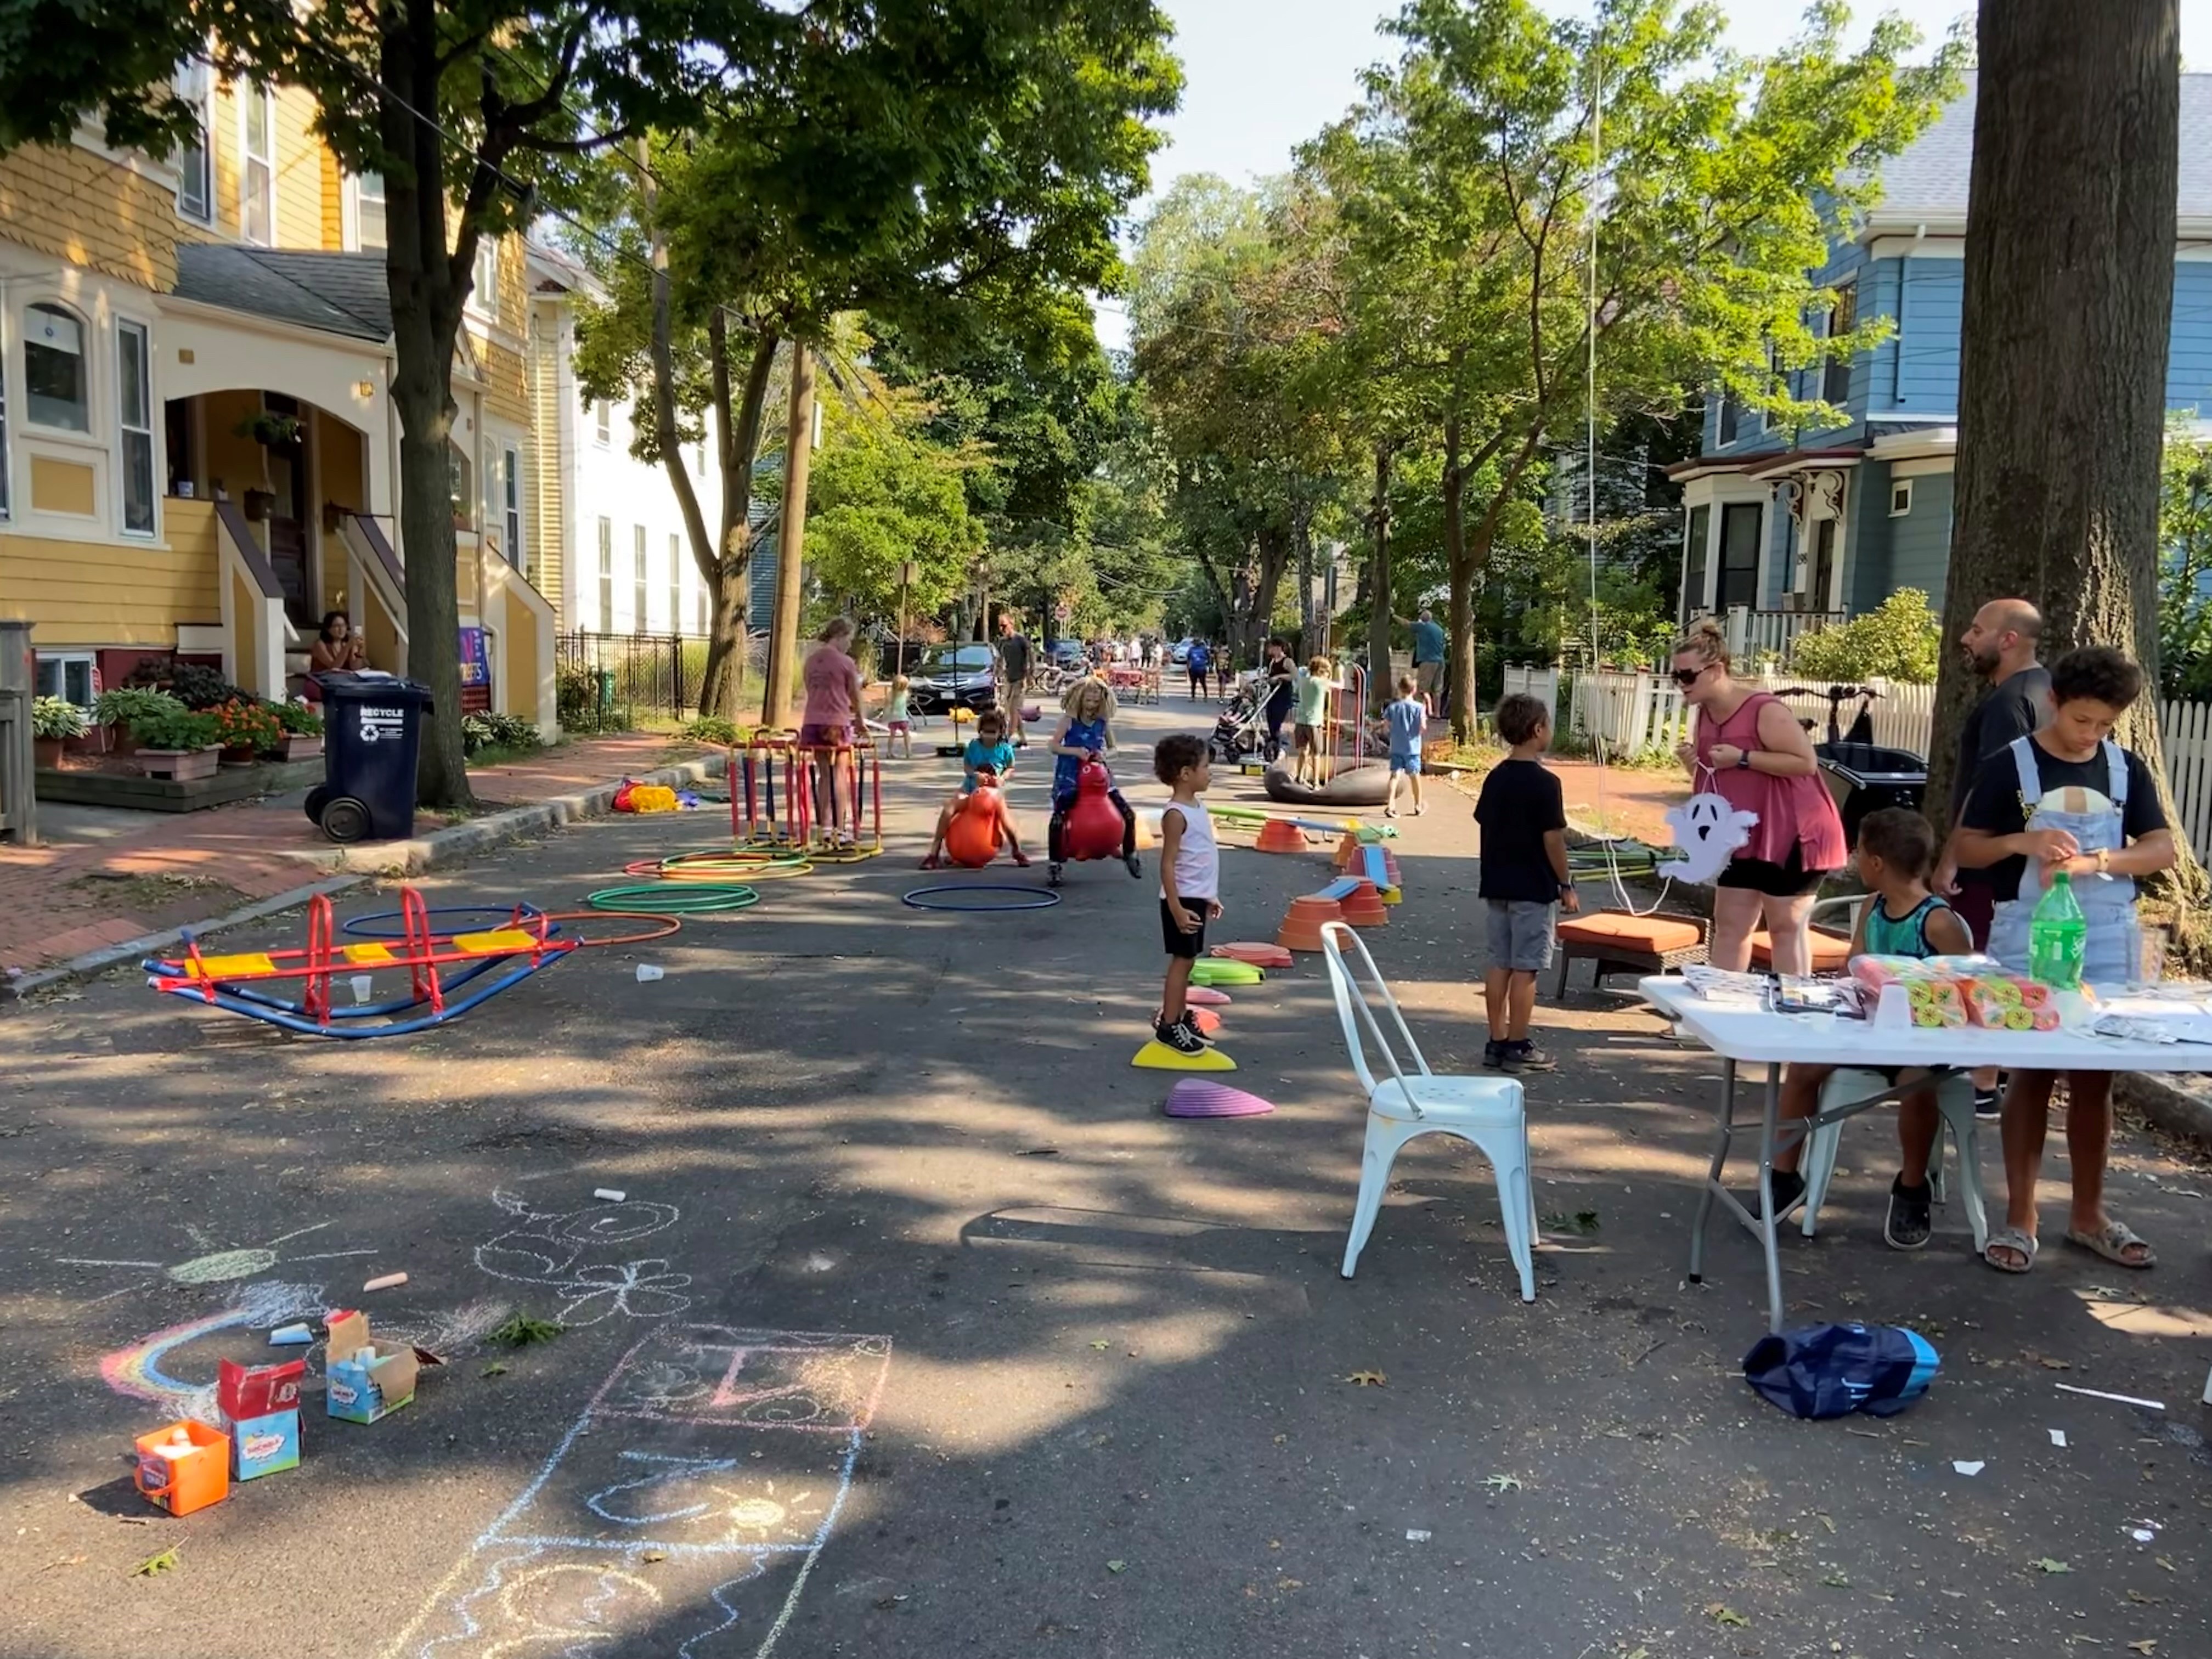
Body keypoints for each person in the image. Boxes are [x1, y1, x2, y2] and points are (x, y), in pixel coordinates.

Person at [1954, 646, 2177, 1275]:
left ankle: (2088, 1214)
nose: (2092, 735)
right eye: (2083, 720)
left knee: (2095, 1075)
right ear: (2054, 701)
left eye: (2105, 724)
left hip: (2106, 933)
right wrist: (2022, 841)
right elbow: (1967, 848)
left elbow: (2160, 847)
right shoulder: (2011, 765)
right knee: (2031, 1069)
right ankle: (2021, 1215)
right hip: (2028, 932)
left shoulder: (2124, 768)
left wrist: (2101, 861)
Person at [1761, 808, 1974, 1247]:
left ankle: (1913, 1185)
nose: (1854, 860)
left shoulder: (1937, 921)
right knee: (1803, 1068)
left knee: (1917, 1086)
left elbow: (1966, 989)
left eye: (1859, 852)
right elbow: (1854, 967)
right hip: (1865, 1031)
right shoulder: (1873, 908)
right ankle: (1785, 1176)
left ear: (1876, 863)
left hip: (1920, 1042)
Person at [1671, 619, 1847, 975]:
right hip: (1744, 833)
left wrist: (1745, 757)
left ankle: (1792, 1016)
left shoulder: (1764, 710)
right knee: (1731, 923)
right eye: (1676, 677)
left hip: (1795, 831)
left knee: (1786, 926)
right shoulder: (1705, 714)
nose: (1680, 685)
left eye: (1687, 676)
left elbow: (1806, 763)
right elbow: (1717, 781)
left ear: (1716, 670)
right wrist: (1695, 766)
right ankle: (1721, 1010)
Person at [1934, 599, 2049, 1118]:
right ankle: (1996, 1073)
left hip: (1993, 858)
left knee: (1981, 963)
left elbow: (1988, 788)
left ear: (2008, 640)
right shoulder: (2049, 694)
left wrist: (1953, 856)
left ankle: (1981, 1082)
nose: (1966, 637)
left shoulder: (2008, 703)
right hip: (2029, 858)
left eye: (1977, 630)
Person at [1473, 692, 1577, 1071]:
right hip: (1533, 887)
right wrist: (1565, 883)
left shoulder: (1495, 777)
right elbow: (1553, 838)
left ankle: (1496, 1039)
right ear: (1537, 730)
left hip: (1497, 882)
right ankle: (1518, 1043)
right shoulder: (1546, 784)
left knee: (1499, 962)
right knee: (1526, 967)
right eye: (1548, 725)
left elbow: (1485, 822)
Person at [1152, 733, 1222, 1058]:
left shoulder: (1196, 806)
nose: (1211, 772)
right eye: (1206, 767)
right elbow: (1168, 865)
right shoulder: (1176, 814)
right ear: (1185, 773)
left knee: (1189, 961)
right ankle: (1168, 1026)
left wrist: (1210, 896)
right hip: (1181, 900)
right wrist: (1178, 908)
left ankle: (1180, 1018)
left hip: (1195, 897)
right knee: (1182, 963)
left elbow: (1201, 857)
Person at [1046, 677, 1139, 879]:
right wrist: (1074, 751)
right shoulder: (1068, 721)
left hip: (1099, 777)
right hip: (1070, 776)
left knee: (1128, 814)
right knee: (1059, 819)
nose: (1092, 706)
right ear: (1079, 700)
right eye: (1088, 701)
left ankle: (1130, 853)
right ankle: (1055, 864)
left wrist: (1104, 755)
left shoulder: (1103, 723)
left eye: (1096, 702)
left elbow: (1114, 750)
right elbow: (1053, 746)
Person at [921, 708, 1028, 869]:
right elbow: (967, 766)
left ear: (1000, 732)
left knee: (1006, 820)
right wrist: (974, 774)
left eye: (993, 732)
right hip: (970, 788)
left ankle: (1017, 851)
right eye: (985, 731)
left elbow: (1010, 767)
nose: (989, 735)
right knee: (949, 809)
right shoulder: (974, 746)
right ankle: (934, 853)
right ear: (980, 731)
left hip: (992, 793)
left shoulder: (1005, 749)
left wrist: (1002, 779)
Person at [798, 617, 866, 845]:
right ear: (840, 636)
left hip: (812, 723)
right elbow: (855, 696)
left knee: (824, 775)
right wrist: (860, 720)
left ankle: (824, 828)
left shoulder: (810, 661)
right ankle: (840, 828)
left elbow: (810, 688)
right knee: (840, 774)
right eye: (849, 639)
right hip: (836, 723)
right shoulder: (845, 662)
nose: (850, 644)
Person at [941, 765, 1026, 868]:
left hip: (956, 851)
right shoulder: (995, 796)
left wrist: (936, 851)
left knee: (961, 817)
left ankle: (955, 857)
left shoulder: (963, 797)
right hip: (985, 851)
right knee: (1000, 818)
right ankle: (1017, 852)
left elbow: (947, 813)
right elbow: (1008, 826)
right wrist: (1017, 851)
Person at [1380, 675, 1427, 817]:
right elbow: (1423, 727)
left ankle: (1390, 805)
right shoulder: (1419, 708)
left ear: (1399, 689)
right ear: (1414, 690)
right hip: (1412, 747)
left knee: (1395, 776)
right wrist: (1416, 733)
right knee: (1415, 776)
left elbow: (1386, 726)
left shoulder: (1393, 708)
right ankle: (1418, 805)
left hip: (1397, 746)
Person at [1290, 656, 1336, 785]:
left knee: (1303, 751)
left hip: (1300, 721)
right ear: (1322, 671)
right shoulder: (1320, 682)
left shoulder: (1304, 681)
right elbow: (1340, 686)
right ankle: (1316, 782)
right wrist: (1341, 675)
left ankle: (1300, 777)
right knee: (1316, 754)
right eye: (1327, 671)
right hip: (1314, 723)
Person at [1399, 606, 1447, 714]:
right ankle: (1437, 714)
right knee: (1437, 689)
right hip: (1440, 661)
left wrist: (1394, 616)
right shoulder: (1439, 629)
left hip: (1428, 661)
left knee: (1422, 688)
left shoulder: (1423, 627)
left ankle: (1420, 712)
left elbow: (1406, 624)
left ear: (1422, 619)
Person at [994, 614, 1033, 747]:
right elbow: (999, 659)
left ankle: (1008, 737)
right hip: (1008, 679)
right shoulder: (1003, 642)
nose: (1002, 629)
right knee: (1009, 709)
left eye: (1004, 625)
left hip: (1020, 679)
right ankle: (1023, 739)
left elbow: (1030, 657)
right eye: (1000, 626)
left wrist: (1030, 676)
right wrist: (996, 674)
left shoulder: (1020, 640)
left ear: (1011, 624)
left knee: (1014, 710)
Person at [1259, 638, 1296, 760]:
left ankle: (1281, 748)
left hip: (1283, 696)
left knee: (1280, 722)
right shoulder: (1272, 662)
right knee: (1271, 720)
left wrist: (1280, 677)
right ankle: (1273, 746)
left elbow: (1294, 675)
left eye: (1272, 647)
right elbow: (1270, 675)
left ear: (1279, 648)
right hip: (1273, 695)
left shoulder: (1287, 661)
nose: (1270, 650)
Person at [309, 611, 368, 676]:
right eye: (337, 626)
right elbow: (334, 668)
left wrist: (360, 650)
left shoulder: (349, 641)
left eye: (343, 625)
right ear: (328, 628)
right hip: (322, 680)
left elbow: (355, 668)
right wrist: (347, 647)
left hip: (343, 680)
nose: (341, 629)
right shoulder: (320, 645)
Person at [884, 674, 913, 760]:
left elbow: (886, 707)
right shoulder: (905, 694)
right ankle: (909, 752)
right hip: (903, 718)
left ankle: (889, 752)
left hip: (893, 719)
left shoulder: (890, 695)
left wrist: (885, 717)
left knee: (892, 736)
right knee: (907, 736)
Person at [1186, 637, 1211, 701]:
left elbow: (1188, 659)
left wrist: (1188, 667)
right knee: (1202, 683)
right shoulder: (1203, 649)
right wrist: (1208, 664)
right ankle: (1205, 696)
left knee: (1194, 683)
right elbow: (1209, 657)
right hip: (1201, 668)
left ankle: (1194, 697)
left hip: (1195, 668)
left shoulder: (1192, 649)